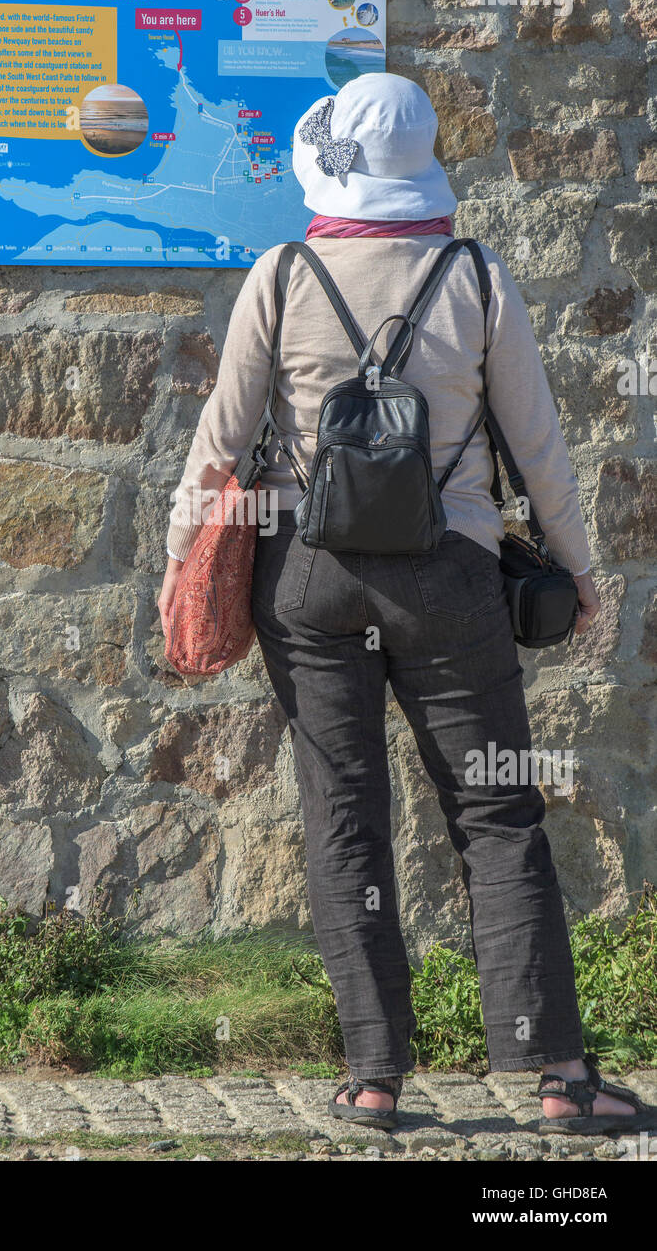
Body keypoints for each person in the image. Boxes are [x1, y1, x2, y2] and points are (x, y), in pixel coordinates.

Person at [158, 73, 652, 1136]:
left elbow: (217, 444)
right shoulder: (474, 275)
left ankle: (374, 1077)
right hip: (455, 580)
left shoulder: (282, 274)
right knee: (497, 813)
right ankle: (559, 1072)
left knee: (345, 819)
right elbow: (539, 448)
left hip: (310, 579)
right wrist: (579, 568)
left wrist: (176, 570)